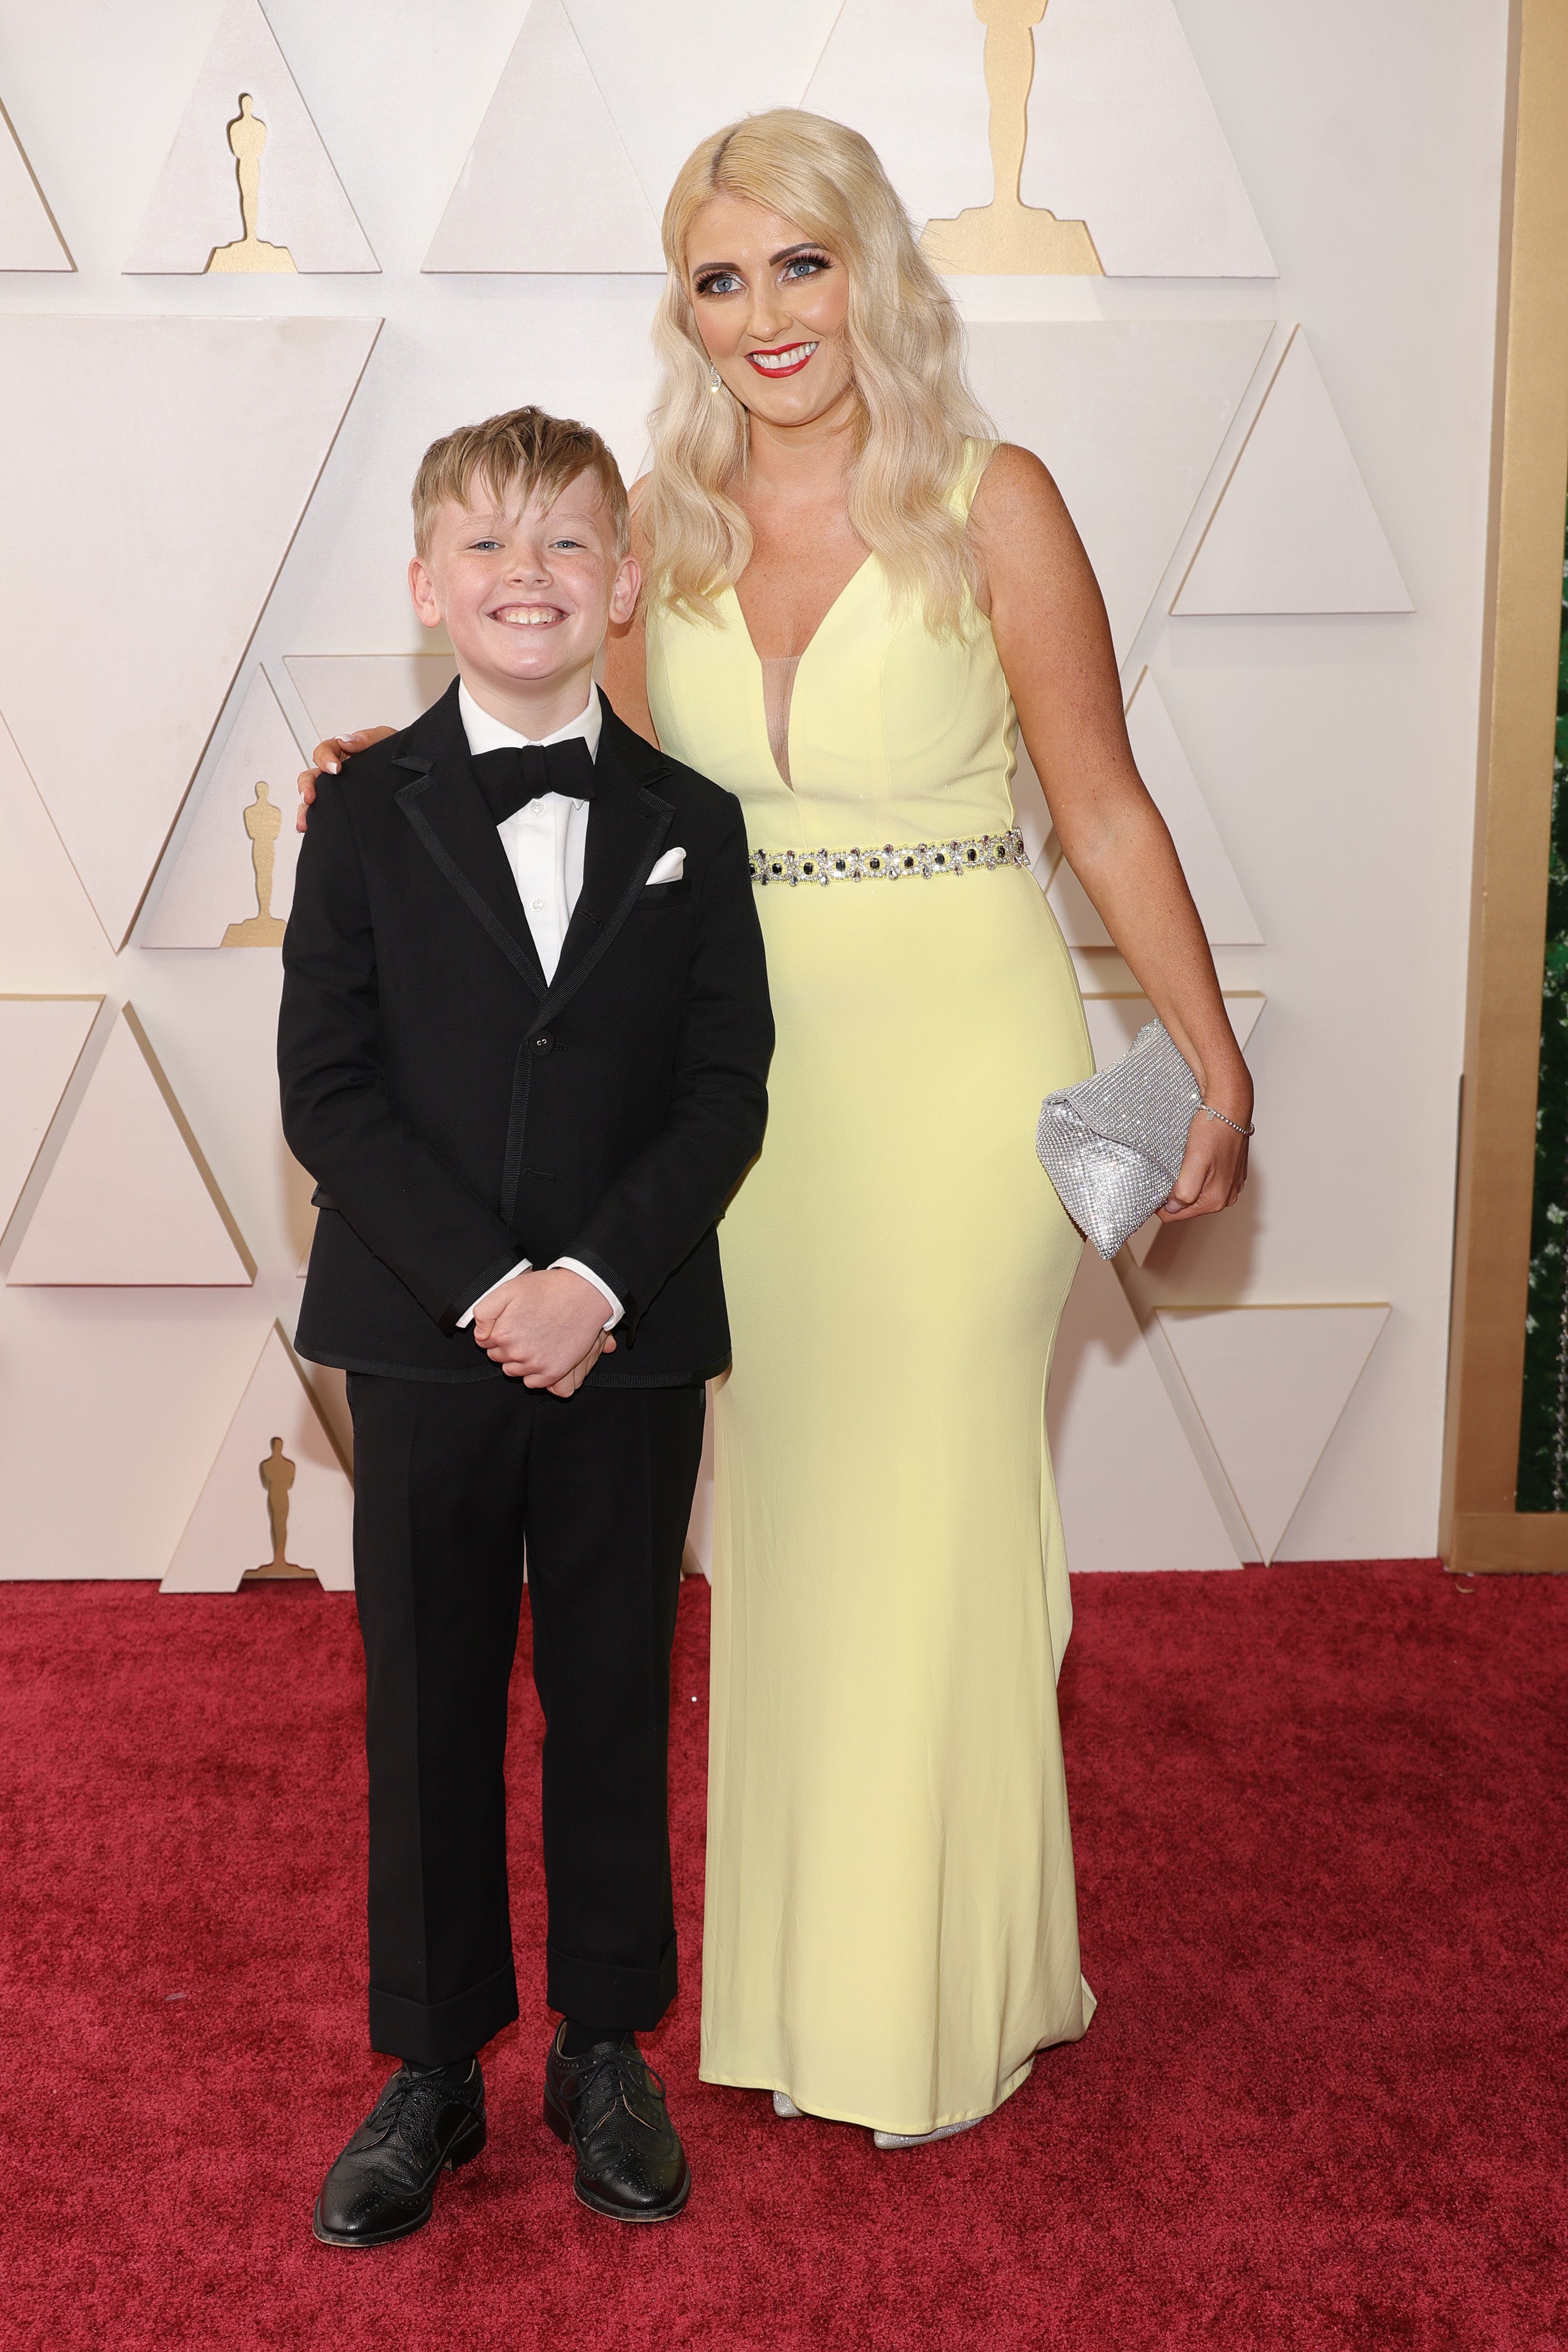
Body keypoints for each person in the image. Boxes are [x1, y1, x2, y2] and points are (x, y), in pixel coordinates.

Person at [298, 111, 1251, 2149]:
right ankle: (793, 1991)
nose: (762, 316)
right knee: (788, 1543)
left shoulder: (994, 504)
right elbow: (586, 752)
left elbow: (1098, 806)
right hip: (725, 1110)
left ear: (868, 270)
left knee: (935, 1520)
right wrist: (405, 757)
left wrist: (1210, 1054)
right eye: (719, 280)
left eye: (796, 267)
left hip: (962, 1070)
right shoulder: (664, 524)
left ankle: (945, 1985)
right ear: (688, 309)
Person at [278, 405, 771, 2244]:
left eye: (566, 542)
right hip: (422, 1338)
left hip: (628, 1344)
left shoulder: (691, 826)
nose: (526, 576)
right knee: (423, 1701)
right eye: (484, 545)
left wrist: (597, 1284)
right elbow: (327, 1090)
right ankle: (430, 2067)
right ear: (426, 586)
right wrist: (492, 1290)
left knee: (614, 1693)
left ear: (624, 580)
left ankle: (602, 2044)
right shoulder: (360, 808)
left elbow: (727, 1086)